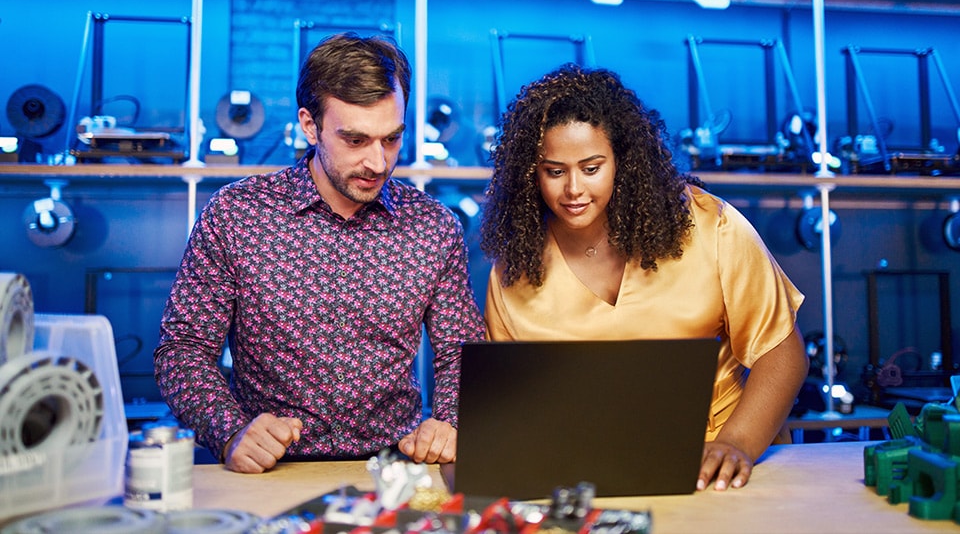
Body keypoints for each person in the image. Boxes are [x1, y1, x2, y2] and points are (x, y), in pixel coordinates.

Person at [154, 32, 485, 474]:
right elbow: (183, 349)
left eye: (391, 139)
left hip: (391, 469)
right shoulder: (237, 215)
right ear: (310, 126)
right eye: (355, 140)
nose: (378, 162)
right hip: (268, 468)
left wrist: (449, 422)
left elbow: (460, 351)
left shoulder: (432, 226)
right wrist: (231, 430)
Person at [479, 64, 809, 491]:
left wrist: (736, 444)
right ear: (532, 174)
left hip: (717, 468)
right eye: (555, 171)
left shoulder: (711, 227)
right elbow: (514, 404)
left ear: (623, 160)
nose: (573, 189)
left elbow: (783, 354)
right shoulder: (514, 269)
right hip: (585, 472)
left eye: (592, 167)